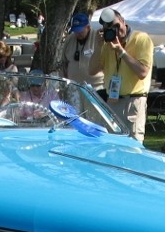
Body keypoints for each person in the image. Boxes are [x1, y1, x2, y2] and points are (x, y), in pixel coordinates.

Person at [88, 8, 153, 142]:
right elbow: (92, 70)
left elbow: (143, 72)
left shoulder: (141, 39)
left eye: (117, 25)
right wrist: (98, 46)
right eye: (111, 29)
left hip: (133, 102)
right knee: (112, 146)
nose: (117, 31)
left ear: (123, 20)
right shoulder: (107, 45)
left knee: (132, 147)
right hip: (112, 101)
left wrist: (121, 51)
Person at [62, 13, 104, 97]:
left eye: (80, 30)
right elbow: (64, 63)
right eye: (75, 31)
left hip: (95, 88)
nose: (77, 33)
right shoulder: (69, 39)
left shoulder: (98, 38)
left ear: (88, 27)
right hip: (74, 88)